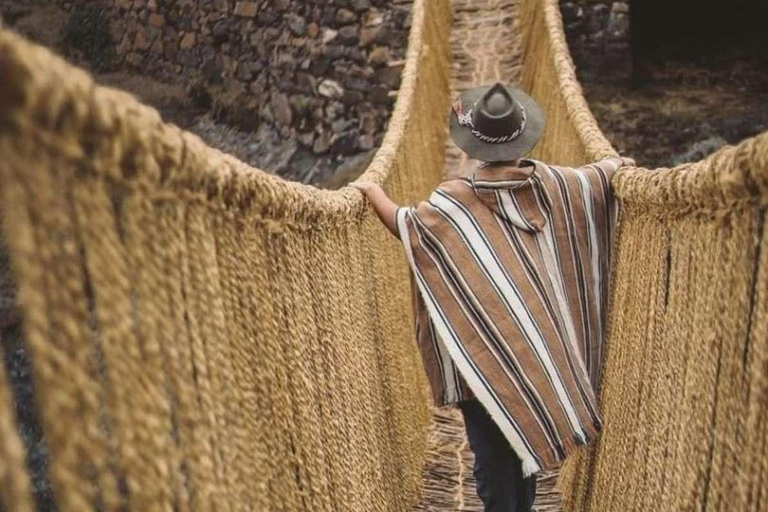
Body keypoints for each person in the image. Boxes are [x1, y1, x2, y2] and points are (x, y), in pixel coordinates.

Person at [351, 82, 634, 512]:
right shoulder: (552, 184)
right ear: (525, 137)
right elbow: (594, 179)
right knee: (526, 453)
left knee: (490, 461)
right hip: (535, 356)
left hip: (477, 361)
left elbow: (406, 224)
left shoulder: (453, 201)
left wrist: (373, 191)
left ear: (473, 147)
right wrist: (617, 165)